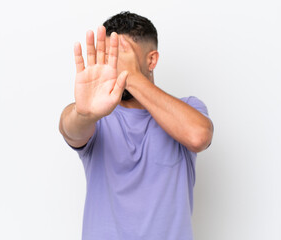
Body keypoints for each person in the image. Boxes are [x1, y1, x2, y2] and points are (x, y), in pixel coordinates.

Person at [59, 11, 214, 240]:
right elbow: (69, 129)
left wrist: (130, 76)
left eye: (120, 56)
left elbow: (199, 136)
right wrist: (83, 113)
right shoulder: (97, 115)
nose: (112, 66)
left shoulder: (187, 107)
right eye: (109, 58)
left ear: (151, 60)